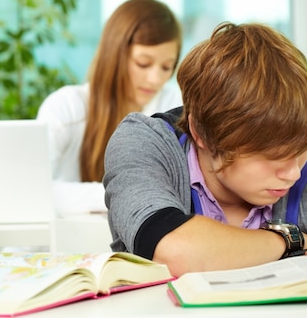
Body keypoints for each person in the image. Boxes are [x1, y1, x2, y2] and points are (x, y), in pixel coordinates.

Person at [104, 22, 307, 277]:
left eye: (301, 150)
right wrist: (291, 241)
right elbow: (175, 252)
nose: (293, 173)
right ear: (201, 133)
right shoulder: (143, 141)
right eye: (273, 155)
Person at [37, 0, 182, 216]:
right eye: (143, 64)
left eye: (166, 67)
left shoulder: (174, 108)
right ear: (114, 54)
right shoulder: (66, 107)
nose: (155, 79)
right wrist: (123, 193)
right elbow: (35, 192)